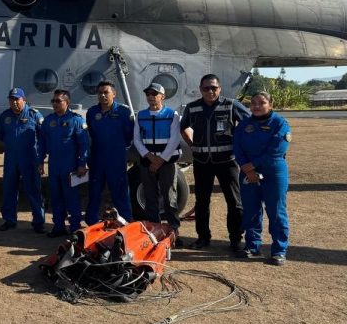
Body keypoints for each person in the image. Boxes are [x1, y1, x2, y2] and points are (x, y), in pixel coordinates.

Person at [180, 74, 250, 251]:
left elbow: (248, 123)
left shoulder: (231, 105)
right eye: (206, 88)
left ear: (220, 89)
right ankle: (203, 237)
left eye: (214, 88)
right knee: (202, 202)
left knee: (234, 202)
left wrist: (239, 145)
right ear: (200, 89)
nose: (210, 91)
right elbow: (183, 127)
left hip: (227, 161)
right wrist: (193, 145)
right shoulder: (192, 107)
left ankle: (235, 239)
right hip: (202, 162)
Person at [233, 92, 292, 266]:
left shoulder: (280, 123)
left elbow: (277, 149)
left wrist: (252, 165)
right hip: (247, 171)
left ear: (270, 105)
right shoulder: (244, 125)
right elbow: (237, 147)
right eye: (253, 103)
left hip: (273, 171)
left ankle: (279, 251)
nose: (257, 106)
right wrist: (246, 167)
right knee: (251, 210)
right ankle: (252, 246)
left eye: (262, 102)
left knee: (276, 211)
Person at [133, 82, 183, 244]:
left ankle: (173, 229)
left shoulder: (172, 115)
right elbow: (137, 139)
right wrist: (149, 157)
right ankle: (155, 228)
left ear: (163, 96)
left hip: (167, 163)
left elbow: (175, 138)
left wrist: (160, 160)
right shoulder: (140, 115)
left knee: (169, 197)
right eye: (148, 94)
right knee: (150, 197)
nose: (151, 97)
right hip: (148, 162)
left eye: (154, 94)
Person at [38, 89, 89, 237]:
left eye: (58, 101)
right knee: (55, 196)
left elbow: (84, 144)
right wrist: (40, 161)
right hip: (54, 166)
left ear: (67, 102)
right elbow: (42, 143)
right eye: (53, 101)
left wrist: (82, 164)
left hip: (70, 166)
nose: (54, 104)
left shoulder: (76, 120)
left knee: (71, 197)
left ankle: (75, 227)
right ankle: (58, 226)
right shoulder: (48, 121)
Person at [85, 81, 134, 224]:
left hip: (116, 161)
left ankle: (125, 223)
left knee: (120, 194)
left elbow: (128, 136)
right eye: (100, 92)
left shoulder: (123, 113)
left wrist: (117, 149)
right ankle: (91, 223)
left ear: (114, 94)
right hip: (97, 160)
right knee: (94, 194)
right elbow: (92, 134)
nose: (102, 95)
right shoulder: (92, 112)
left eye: (106, 92)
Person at [0, 87, 45, 232]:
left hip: (30, 158)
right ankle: (9, 220)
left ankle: (38, 221)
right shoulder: (5, 116)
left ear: (23, 100)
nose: (14, 102)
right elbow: (1, 135)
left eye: (17, 99)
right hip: (11, 158)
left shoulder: (34, 115)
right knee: (9, 188)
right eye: (11, 99)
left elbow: (43, 137)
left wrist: (41, 159)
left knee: (33, 189)